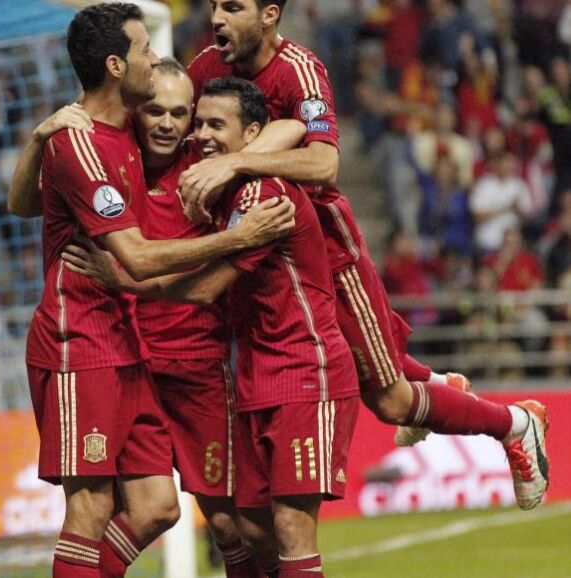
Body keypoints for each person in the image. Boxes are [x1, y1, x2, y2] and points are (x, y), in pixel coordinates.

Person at [178, 0, 550, 509]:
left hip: (325, 252)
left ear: (269, 14)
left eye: (233, 7)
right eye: (215, 6)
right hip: (268, 251)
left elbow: (324, 162)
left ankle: (514, 424)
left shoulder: (299, 69)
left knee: (391, 400)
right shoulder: (205, 69)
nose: (217, 18)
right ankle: (439, 383)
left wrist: (236, 163)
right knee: (377, 378)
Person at [20, 5, 294, 577]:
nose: (155, 56)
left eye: (180, 113)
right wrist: (238, 238)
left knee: (160, 508)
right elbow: (136, 257)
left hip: (141, 352)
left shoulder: (153, 144)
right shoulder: (85, 143)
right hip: (82, 343)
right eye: (144, 49)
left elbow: (280, 129)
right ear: (118, 67)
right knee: (91, 507)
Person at [63, 77, 360, 578]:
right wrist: (53, 129)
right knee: (198, 516)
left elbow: (295, 128)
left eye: (198, 119)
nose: (191, 131)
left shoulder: (247, 190)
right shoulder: (123, 158)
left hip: (272, 369)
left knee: (255, 524)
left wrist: (236, 162)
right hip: (147, 363)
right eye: (192, 121)